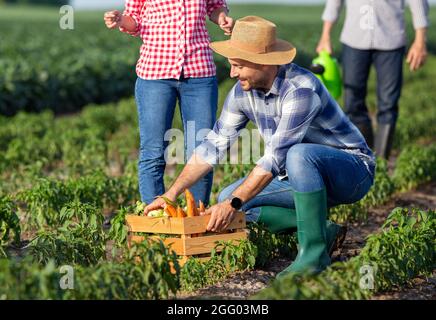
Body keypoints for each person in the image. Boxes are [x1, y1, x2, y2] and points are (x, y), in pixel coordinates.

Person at [144, 16, 376, 277]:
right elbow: (212, 147)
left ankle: (313, 256)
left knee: (292, 159)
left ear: (263, 63)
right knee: (227, 198)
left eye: (238, 66)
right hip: (298, 175)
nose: (232, 73)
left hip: (351, 172)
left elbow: (274, 159)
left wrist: (233, 204)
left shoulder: (300, 88)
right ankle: (324, 231)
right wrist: (170, 194)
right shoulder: (241, 93)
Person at [103, 1, 234, 205]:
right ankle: (155, 218)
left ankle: (195, 220)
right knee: (154, 151)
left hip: (199, 72)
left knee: (202, 151)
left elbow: (215, 6)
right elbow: (134, 20)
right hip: (155, 74)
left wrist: (222, 18)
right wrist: (121, 20)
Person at [316, 0, 429, 159]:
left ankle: (381, 163)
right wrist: (325, 35)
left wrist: (420, 41)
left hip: (391, 41)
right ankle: (365, 159)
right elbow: (334, 2)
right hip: (353, 40)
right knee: (353, 104)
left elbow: (418, 3)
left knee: (388, 104)